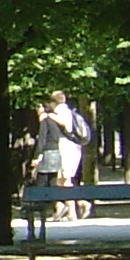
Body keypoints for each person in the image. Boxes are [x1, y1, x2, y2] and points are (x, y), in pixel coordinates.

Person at [37, 91, 92, 220]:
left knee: (65, 180)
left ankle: (76, 208)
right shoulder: (65, 110)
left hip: (67, 149)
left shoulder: (61, 111)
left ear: (53, 101)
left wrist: (48, 116)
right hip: (70, 149)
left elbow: (64, 123)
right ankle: (69, 208)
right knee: (61, 181)